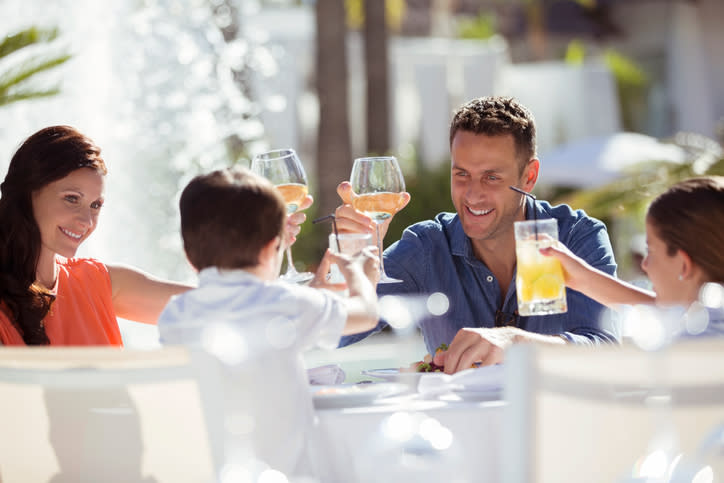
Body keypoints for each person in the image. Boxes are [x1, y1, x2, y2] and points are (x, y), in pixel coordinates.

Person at [334, 96, 620, 373]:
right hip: (458, 420)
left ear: (529, 177)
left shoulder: (575, 236)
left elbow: (607, 351)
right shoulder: (426, 248)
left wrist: (516, 344)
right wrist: (357, 258)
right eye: (461, 175)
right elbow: (332, 332)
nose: (472, 194)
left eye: (491, 177)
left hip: (553, 419)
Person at [157, 166, 379, 478]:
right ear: (270, 248)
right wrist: (360, 273)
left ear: (188, 256)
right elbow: (367, 314)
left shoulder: (176, 313)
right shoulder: (285, 302)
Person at [0, 125, 312, 346]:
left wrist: (268, 244)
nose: (86, 219)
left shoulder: (98, 283)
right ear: (28, 192)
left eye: (96, 205)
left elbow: (225, 307)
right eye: (71, 198)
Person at [541, 176, 724, 335]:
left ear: (684, 265)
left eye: (650, 251)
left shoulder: (688, 346)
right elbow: (660, 307)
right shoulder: (707, 322)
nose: (644, 265)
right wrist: (581, 279)